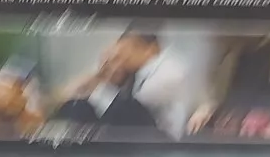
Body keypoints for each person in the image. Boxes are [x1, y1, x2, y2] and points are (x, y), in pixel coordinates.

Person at [51, 28, 189, 138]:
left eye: (125, 52)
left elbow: (136, 109)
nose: (123, 59)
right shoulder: (135, 73)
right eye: (118, 56)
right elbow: (71, 93)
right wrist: (99, 75)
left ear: (149, 49)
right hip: (139, 135)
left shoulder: (168, 71)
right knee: (79, 107)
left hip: (159, 140)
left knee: (110, 108)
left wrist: (105, 82)